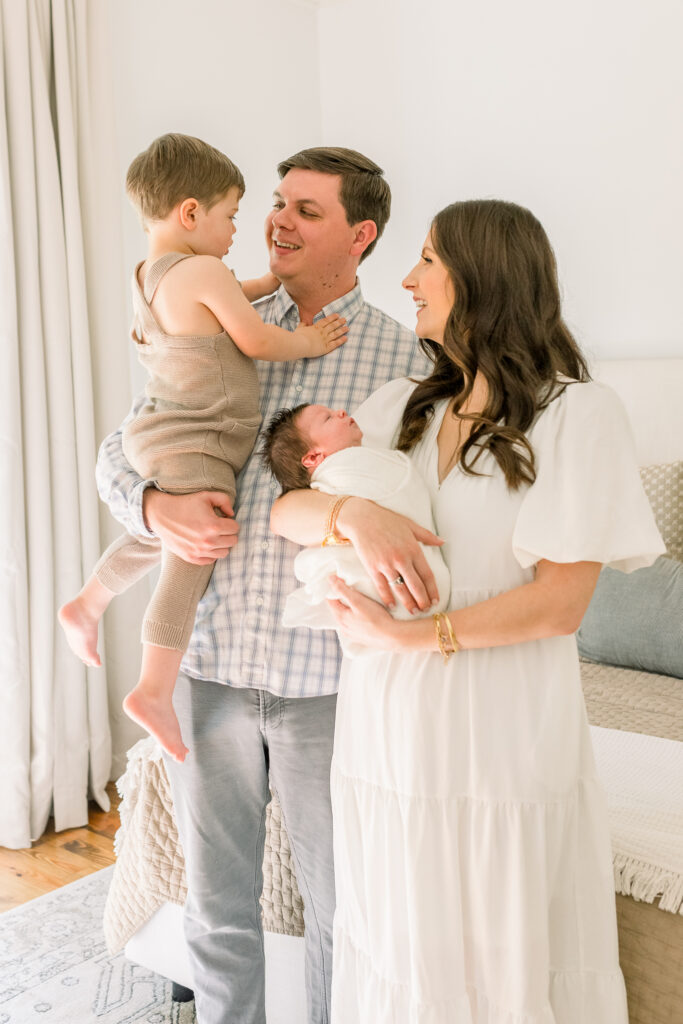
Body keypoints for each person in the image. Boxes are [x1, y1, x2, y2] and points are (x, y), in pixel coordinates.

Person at [270, 199, 665, 1023]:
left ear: (482, 278)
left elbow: (562, 603)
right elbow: (286, 511)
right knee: (395, 940)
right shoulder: (395, 408)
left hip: (500, 728)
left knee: (501, 950)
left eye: (426, 261)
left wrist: (411, 634)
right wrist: (356, 517)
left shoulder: (575, 415)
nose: (407, 280)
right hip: (385, 726)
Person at [95, 146, 432, 1024]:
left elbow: (420, 505)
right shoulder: (211, 307)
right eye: (276, 203)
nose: (278, 221)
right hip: (209, 665)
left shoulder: (404, 362)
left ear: (359, 236)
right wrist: (151, 501)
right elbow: (127, 443)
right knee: (217, 910)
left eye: (305, 211)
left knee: (340, 907)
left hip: (329, 676)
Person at [58, 134, 347, 764]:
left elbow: (225, 295)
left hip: (163, 433)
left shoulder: (153, 276)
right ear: (192, 213)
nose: (237, 229)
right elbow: (257, 340)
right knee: (194, 555)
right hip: (198, 438)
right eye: (232, 216)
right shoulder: (204, 271)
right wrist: (310, 341)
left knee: (162, 534)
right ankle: (154, 688)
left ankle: (88, 602)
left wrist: (268, 278)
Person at [260, 402, 450, 656]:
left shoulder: (366, 460)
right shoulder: (342, 470)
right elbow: (282, 516)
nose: (340, 412)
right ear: (314, 457)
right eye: (327, 418)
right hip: (386, 588)